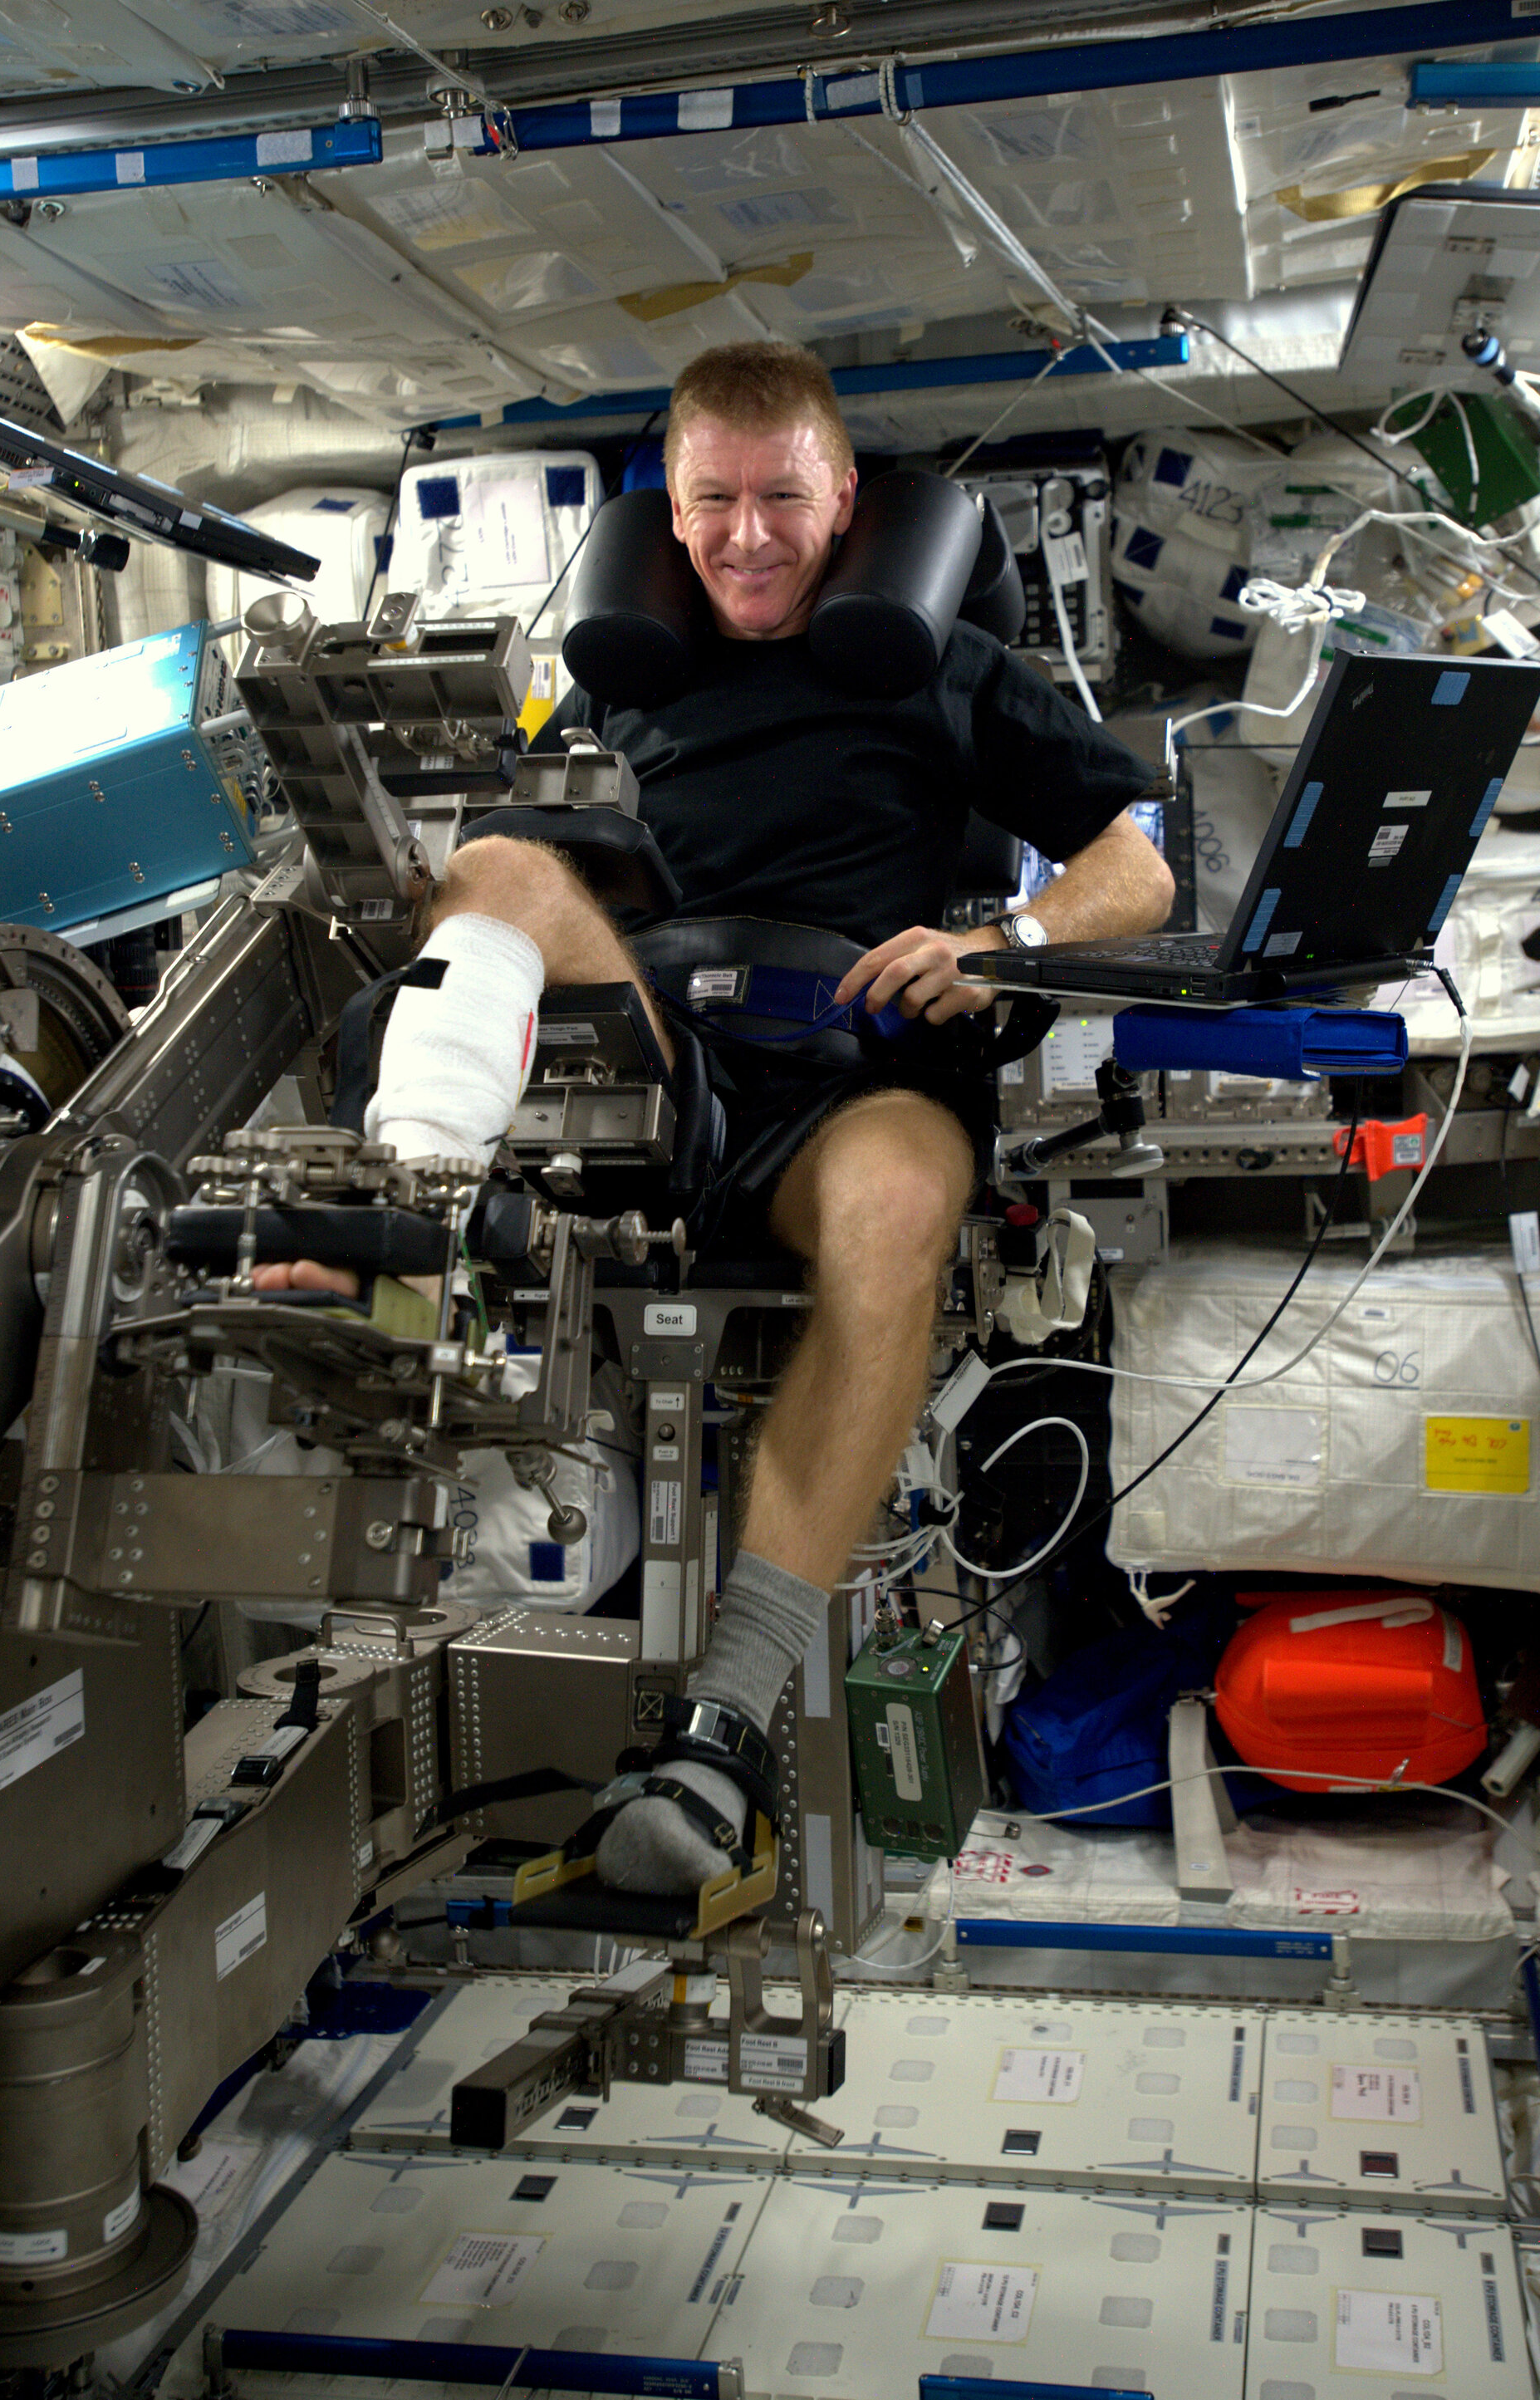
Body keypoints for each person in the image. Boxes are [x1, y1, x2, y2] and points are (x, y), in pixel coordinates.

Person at [255, 341, 1173, 1897]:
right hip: (669, 1057)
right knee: (498, 870)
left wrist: (997, 946)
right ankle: (402, 1223)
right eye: (714, 503)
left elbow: (1132, 869)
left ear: (846, 501)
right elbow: (523, 882)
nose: (748, 535)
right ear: (668, 517)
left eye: (782, 499)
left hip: (860, 1070)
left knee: (894, 1210)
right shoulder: (624, 684)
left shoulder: (938, 666)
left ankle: (725, 1722)